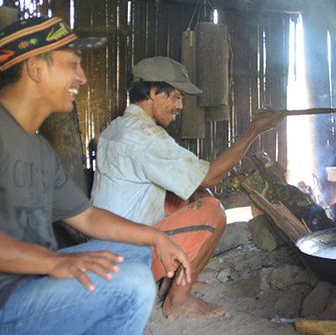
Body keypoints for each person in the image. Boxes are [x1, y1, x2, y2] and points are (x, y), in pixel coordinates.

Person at [0, 17, 193, 335]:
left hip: (26, 278)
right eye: (72, 65)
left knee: (136, 252)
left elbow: (88, 217)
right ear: (37, 68)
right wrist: (52, 263)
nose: (81, 77)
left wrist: (157, 237)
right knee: (131, 285)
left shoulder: (37, 147)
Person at [91, 56, 284, 318]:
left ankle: (176, 280)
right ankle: (178, 300)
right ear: (152, 93)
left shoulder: (118, 127)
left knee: (197, 194)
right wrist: (253, 132)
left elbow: (195, 183)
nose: (180, 105)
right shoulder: (144, 137)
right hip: (125, 259)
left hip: (108, 246)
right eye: (175, 96)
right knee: (213, 211)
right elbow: (210, 176)